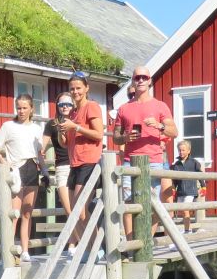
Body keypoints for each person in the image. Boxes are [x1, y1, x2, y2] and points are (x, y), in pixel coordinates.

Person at [112, 68, 177, 237]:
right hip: (129, 160)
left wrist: (159, 125)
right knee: (128, 203)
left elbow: (174, 132)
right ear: (133, 81)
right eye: (137, 77)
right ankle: (131, 243)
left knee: (152, 204)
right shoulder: (123, 109)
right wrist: (125, 137)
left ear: (150, 81)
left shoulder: (160, 106)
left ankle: (146, 241)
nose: (140, 80)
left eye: (144, 77)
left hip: (154, 160)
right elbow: (116, 137)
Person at [0, 93, 48, 262]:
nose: (21, 111)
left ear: (31, 109)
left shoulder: (37, 129)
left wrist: (45, 172)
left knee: (27, 214)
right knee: (14, 214)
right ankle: (8, 252)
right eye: (19, 108)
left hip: (32, 169)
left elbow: (39, 154)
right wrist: (2, 160)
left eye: (24, 108)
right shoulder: (8, 126)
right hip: (16, 170)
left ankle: (24, 250)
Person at [61, 71, 104, 247]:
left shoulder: (91, 106)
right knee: (74, 212)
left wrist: (76, 127)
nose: (75, 91)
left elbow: (98, 134)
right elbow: (65, 144)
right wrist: (61, 132)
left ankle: (96, 248)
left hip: (89, 162)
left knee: (81, 211)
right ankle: (89, 248)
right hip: (74, 163)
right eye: (72, 89)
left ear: (86, 88)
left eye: (78, 88)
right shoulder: (72, 113)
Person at [42, 93, 74, 218]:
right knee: (69, 211)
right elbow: (42, 147)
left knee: (81, 211)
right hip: (62, 167)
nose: (65, 107)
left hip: (78, 167)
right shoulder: (52, 124)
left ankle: (87, 237)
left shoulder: (78, 121)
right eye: (61, 104)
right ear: (57, 106)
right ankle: (77, 238)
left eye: (68, 104)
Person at [170, 139, 204, 233]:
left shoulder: (194, 162)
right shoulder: (176, 164)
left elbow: (200, 174)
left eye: (183, 150)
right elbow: (175, 180)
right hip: (180, 191)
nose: (181, 152)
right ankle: (186, 229)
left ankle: (187, 230)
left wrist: (203, 186)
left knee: (185, 210)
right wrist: (173, 189)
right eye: (179, 150)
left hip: (190, 191)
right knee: (181, 211)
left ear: (189, 151)